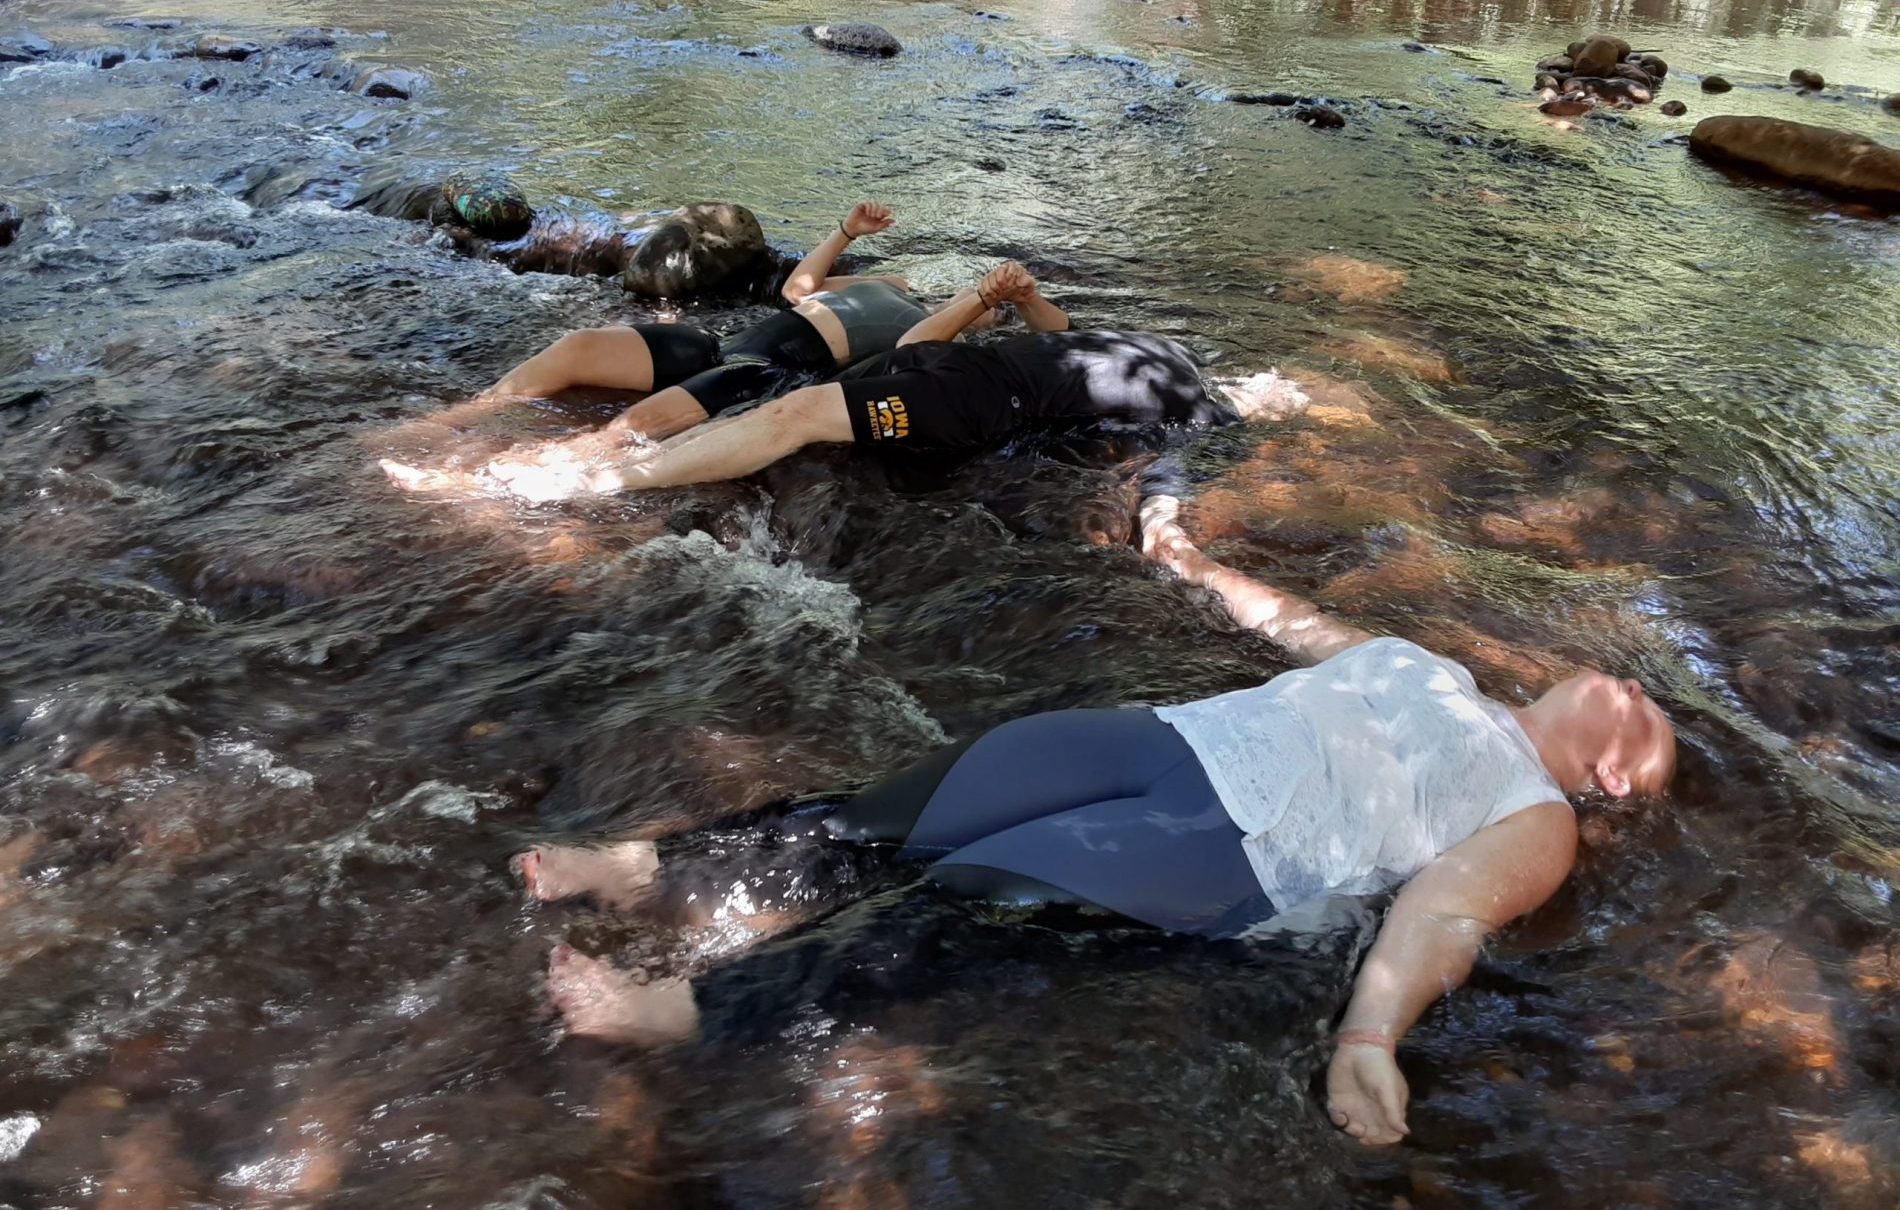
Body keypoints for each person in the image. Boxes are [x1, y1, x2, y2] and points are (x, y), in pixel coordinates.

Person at [514, 492, 1676, 1147]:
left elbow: (1438, 913)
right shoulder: (1436, 670)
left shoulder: (1538, 817)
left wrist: (1368, 1037)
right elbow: (1287, 623)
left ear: (1612, 781)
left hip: (1242, 851)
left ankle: (682, 1012)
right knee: (905, 806)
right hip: (1169, 738)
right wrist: (1180, 551)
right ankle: (643, 865)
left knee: (958, 902)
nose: (1630, 689)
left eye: (1645, 719)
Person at [391, 202, 1070, 464]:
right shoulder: (890, 287)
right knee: (579, 348)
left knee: (634, 425)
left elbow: (1056, 333)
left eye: (988, 302)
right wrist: (844, 233)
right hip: (729, 344)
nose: (976, 293)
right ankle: (463, 417)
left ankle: (510, 480)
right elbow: (797, 291)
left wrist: (1013, 297)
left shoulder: (954, 349)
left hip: (774, 371)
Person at [384, 313, 1308, 502]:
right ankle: (583, 471)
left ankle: (592, 485)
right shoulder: (1176, 366)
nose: (1270, 388)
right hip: (964, 378)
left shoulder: (1196, 406)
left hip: (978, 398)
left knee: (798, 419)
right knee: (795, 412)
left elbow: (1164, 480)